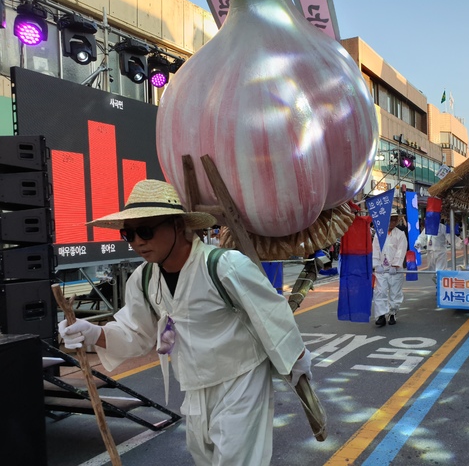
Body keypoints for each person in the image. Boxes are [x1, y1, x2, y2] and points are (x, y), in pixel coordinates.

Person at [58, 180, 311, 466]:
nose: (138, 241)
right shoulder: (143, 279)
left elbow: (270, 314)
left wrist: (297, 360)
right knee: (203, 456)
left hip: (241, 379)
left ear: (178, 226)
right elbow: (137, 333)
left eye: (146, 231)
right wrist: (93, 333)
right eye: (128, 234)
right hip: (193, 385)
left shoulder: (224, 265)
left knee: (237, 461)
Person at [372, 211, 408, 326]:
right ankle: (381, 315)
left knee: (395, 292)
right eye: (390, 219)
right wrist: (376, 264)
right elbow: (375, 250)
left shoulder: (400, 234)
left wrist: (395, 265)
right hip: (382, 268)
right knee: (380, 291)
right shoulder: (379, 234)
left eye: (394, 220)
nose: (392, 222)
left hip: (395, 270)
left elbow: (401, 250)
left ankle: (392, 313)